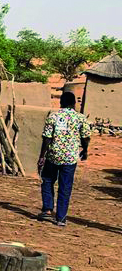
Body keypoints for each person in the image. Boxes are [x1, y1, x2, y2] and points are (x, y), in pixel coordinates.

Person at [37, 91, 91, 226]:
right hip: (70, 158)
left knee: (48, 180)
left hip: (53, 156)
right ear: (74, 103)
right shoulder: (81, 118)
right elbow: (85, 137)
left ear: (61, 103)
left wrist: (42, 156)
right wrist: (85, 150)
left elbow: (47, 138)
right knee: (65, 187)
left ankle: (48, 209)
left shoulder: (53, 116)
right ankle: (61, 218)